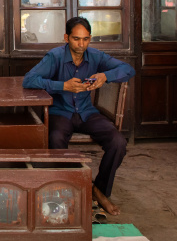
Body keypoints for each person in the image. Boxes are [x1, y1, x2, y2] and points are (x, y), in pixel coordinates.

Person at [22, 17, 135, 215]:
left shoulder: (96, 56)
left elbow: (128, 69)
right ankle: (74, 188)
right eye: (76, 39)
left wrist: (105, 76)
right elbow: (29, 80)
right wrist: (62, 85)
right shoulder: (55, 56)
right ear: (66, 37)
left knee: (118, 142)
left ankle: (99, 190)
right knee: (55, 139)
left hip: (86, 112)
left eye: (85, 39)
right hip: (60, 113)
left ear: (90, 38)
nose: (81, 44)